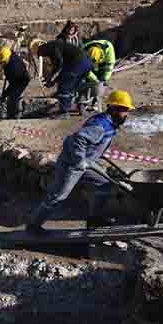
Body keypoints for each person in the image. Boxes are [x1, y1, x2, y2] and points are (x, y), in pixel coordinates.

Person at [26, 91, 136, 234]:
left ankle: (94, 220)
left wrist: (96, 157)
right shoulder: (100, 125)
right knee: (58, 196)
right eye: (124, 110)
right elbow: (78, 140)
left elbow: (95, 143)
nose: (126, 114)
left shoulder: (110, 123)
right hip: (72, 163)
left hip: (87, 162)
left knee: (105, 185)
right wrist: (80, 160)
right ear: (114, 108)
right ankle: (33, 226)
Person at [43, 40, 94, 116]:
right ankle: (78, 106)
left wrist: (51, 77)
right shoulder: (63, 47)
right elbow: (63, 72)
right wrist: (53, 81)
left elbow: (59, 64)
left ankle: (64, 112)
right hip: (87, 63)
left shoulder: (53, 48)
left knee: (64, 88)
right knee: (72, 88)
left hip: (78, 64)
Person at [80, 39, 117, 112]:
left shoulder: (108, 48)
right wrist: (95, 80)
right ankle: (86, 101)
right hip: (88, 64)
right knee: (88, 82)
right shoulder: (83, 51)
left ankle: (95, 102)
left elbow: (110, 66)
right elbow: (86, 70)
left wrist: (105, 78)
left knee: (101, 84)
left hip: (103, 64)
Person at [0, 45, 31, 120]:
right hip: (17, 78)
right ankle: (12, 113)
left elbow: (13, 85)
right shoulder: (10, 55)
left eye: (4, 61)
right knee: (12, 96)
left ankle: (15, 115)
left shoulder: (13, 67)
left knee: (13, 97)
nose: (2, 63)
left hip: (22, 80)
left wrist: (5, 94)